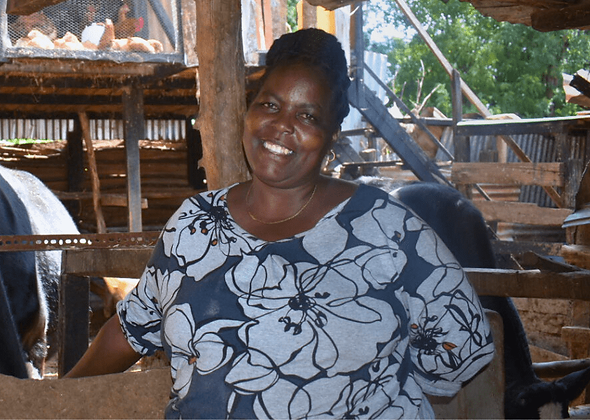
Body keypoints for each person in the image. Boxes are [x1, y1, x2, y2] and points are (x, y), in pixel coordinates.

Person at [65, 28, 495, 419]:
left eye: (308, 115)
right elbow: (130, 330)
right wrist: (55, 403)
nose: (282, 125)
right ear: (249, 111)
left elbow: (460, 355)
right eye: (270, 104)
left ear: (332, 132)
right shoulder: (196, 223)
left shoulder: (388, 230)